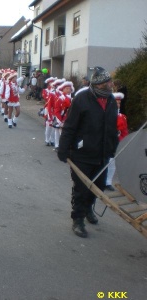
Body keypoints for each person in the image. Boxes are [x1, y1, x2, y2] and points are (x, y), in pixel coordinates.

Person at [57, 66, 119, 238]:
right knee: (82, 188)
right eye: (108, 82)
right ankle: (78, 219)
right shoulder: (82, 99)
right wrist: (63, 149)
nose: (111, 85)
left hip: (102, 153)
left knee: (98, 187)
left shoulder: (111, 99)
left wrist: (112, 147)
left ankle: (88, 209)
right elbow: (70, 126)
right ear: (99, 85)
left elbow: (112, 126)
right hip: (83, 153)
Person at [105, 92, 128, 191]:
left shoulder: (122, 116)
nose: (118, 105)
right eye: (116, 103)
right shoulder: (106, 115)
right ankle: (101, 180)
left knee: (112, 162)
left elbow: (124, 132)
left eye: (119, 103)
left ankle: (108, 182)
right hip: (107, 141)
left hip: (116, 142)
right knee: (104, 162)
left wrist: (123, 142)